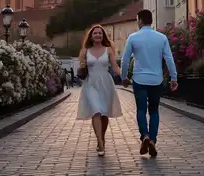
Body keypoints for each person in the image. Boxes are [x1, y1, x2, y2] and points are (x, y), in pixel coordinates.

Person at [121, 9, 178, 158]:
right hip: (156, 80)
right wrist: (174, 78)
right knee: (154, 111)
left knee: (141, 110)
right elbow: (169, 59)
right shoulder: (162, 38)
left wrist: (124, 77)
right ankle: (152, 140)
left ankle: (144, 136)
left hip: (139, 79)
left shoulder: (133, 38)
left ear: (140, 20)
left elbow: (125, 59)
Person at [76, 24, 123, 156]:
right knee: (96, 111)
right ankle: (101, 144)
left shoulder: (108, 50)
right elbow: (81, 68)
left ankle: (101, 138)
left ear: (103, 36)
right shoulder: (85, 51)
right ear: (91, 36)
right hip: (91, 83)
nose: (98, 35)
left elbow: (115, 67)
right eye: (95, 33)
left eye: (100, 33)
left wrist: (124, 76)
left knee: (104, 114)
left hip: (106, 84)